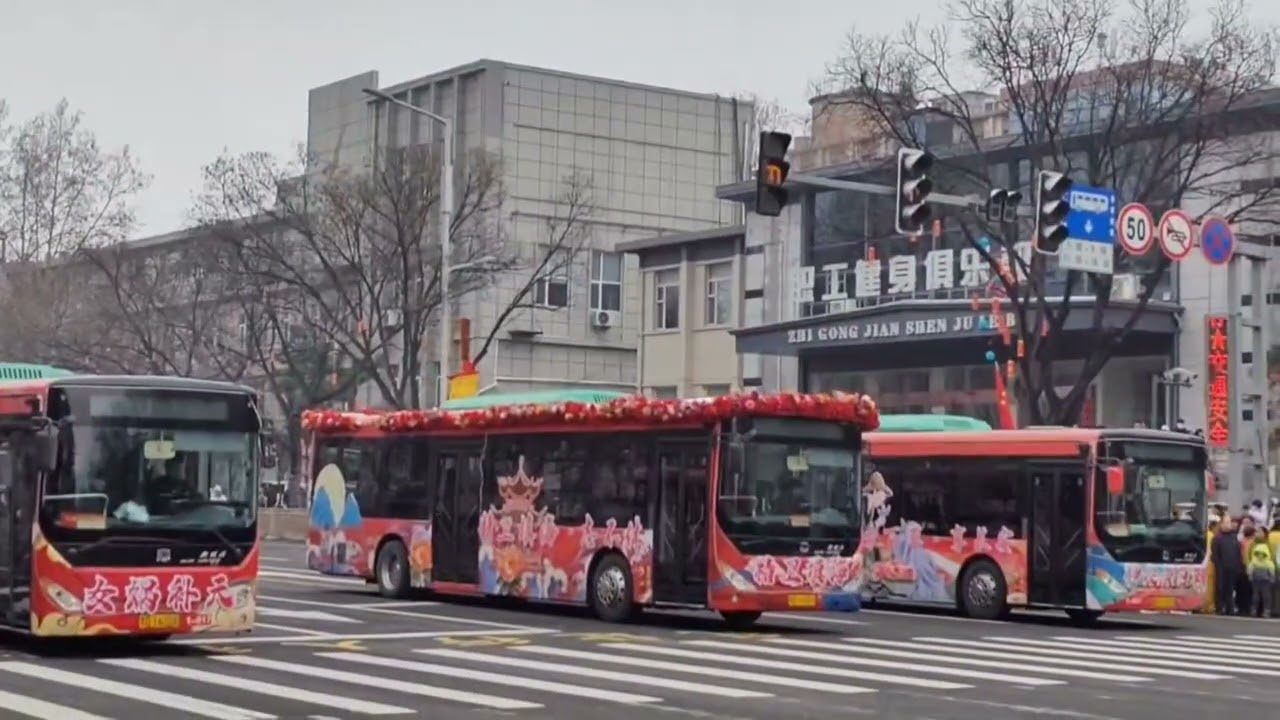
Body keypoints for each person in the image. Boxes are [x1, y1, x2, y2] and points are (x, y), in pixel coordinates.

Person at [1211, 516, 1243, 615]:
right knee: (1221, 588)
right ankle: (1220, 607)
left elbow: (1238, 553)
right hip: (1221, 568)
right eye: (1225, 523)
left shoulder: (1234, 537)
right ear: (1221, 524)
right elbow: (1215, 555)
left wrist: (1238, 566)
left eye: (1229, 523)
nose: (1227, 525)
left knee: (1231, 589)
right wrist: (1219, 565)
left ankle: (1230, 608)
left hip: (1233, 568)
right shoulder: (1217, 538)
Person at [1248, 538, 1275, 617]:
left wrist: (1272, 577)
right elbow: (1250, 569)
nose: (1260, 555)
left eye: (1262, 554)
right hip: (1255, 581)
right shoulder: (1254, 561)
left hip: (1266, 582)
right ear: (1255, 554)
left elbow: (1272, 570)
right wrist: (1250, 575)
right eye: (1258, 553)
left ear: (1265, 554)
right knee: (1255, 597)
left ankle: (1267, 611)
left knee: (1266, 597)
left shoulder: (1268, 562)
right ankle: (1254, 610)